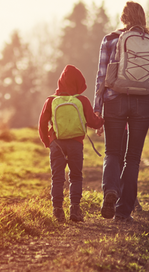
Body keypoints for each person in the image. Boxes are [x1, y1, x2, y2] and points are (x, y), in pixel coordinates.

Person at [94, 1, 149, 222]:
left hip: (114, 100)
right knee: (133, 158)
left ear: (123, 18)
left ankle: (110, 192)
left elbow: (102, 77)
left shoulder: (109, 39)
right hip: (143, 103)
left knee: (112, 153)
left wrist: (97, 109)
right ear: (143, 19)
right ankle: (124, 210)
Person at [38, 64, 104, 222]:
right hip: (75, 144)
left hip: (57, 144)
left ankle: (57, 211)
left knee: (57, 178)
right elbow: (93, 122)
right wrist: (102, 120)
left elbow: (42, 124)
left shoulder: (51, 101)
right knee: (75, 176)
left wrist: (48, 142)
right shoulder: (82, 100)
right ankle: (75, 210)